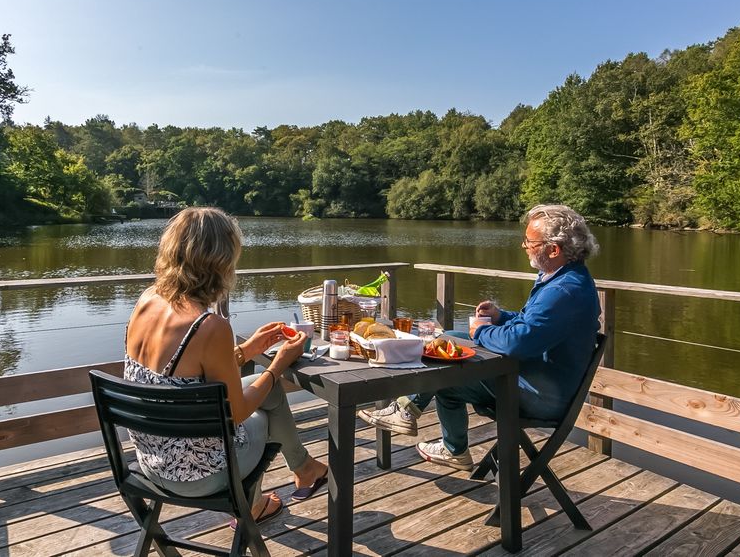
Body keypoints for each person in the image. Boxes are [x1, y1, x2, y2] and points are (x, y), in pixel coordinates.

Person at [125, 207, 328, 525]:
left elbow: (181, 377)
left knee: (264, 391)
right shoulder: (209, 326)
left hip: (151, 463)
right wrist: (277, 366)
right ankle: (265, 496)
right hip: (200, 476)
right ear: (221, 261)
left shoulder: (147, 299)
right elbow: (238, 412)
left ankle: (304, 470)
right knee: (267, 404)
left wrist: (248, 350)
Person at [358, 204, 601, 470]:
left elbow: (520, 343)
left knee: (446, 376)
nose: (524, 247)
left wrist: (484, 330)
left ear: (554, 250)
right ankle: (420, 422)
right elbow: (532, 325)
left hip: (539, 396)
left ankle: (435, 434)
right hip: (532, 379)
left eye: (530, 241)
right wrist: (501, 317)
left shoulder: (563, 291)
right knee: (449, 338)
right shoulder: (561, 277)